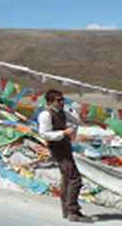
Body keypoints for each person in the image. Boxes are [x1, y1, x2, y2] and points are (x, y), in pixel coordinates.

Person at [38, 90, 92, 223]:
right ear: (50, 102)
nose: (62, 102)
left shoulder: (63, 112)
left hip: (65, 146)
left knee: (67, 178)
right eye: (59, 100)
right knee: (75, 178)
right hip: (57, 148)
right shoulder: (46, 115)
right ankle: (72, 211)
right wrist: (63, 133)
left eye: (62, 99)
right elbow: (44, 134)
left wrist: (87, 120)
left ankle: (67, 210)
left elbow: (77, 121)